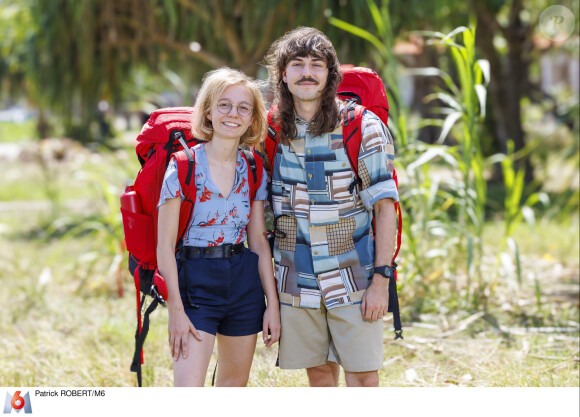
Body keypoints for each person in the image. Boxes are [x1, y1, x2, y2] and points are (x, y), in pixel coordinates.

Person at [264, 27, 399, 387]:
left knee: (363, 376)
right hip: (296, 280)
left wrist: (382, 282)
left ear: (330, 74)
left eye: (316, 64)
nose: (306, 72)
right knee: (320, 374)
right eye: (297, 63)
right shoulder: (270, 130)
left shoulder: (362, 126)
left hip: (354, 278)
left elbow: (386, 209)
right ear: (283, 73)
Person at [157, 67, 280, 387]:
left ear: (253, 118)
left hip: (243, 283)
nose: (233, 114)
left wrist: (273, 305)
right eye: (224, 105)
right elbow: (164, 246)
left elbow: (258, 241)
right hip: (196, 281)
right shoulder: (183, 165)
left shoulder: (253, 167)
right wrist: (175, 311)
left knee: (231, 390)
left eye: (243, 107)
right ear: (208, 111)